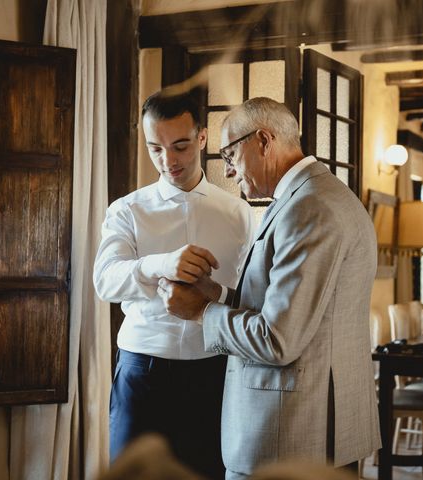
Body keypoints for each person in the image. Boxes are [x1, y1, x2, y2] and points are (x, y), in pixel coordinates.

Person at [157, 97, 381, 479]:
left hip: (288, 437)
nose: (228, 172)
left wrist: (200, 311)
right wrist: (217, 294)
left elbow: (278, 339)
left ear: (263, 140)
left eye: (230, 155)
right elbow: (297, 312)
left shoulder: (309, 208)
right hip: (312, 431)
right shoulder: (316, 197)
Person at [93, 89, 254, 479]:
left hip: (213, 370)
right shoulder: (127, 210)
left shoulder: (239, 213)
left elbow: (250, 295)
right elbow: (105, 280)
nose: (168, 161)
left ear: (201, 138)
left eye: (180, 146)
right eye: (156, 149)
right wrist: (162, 263)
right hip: (142, 370)